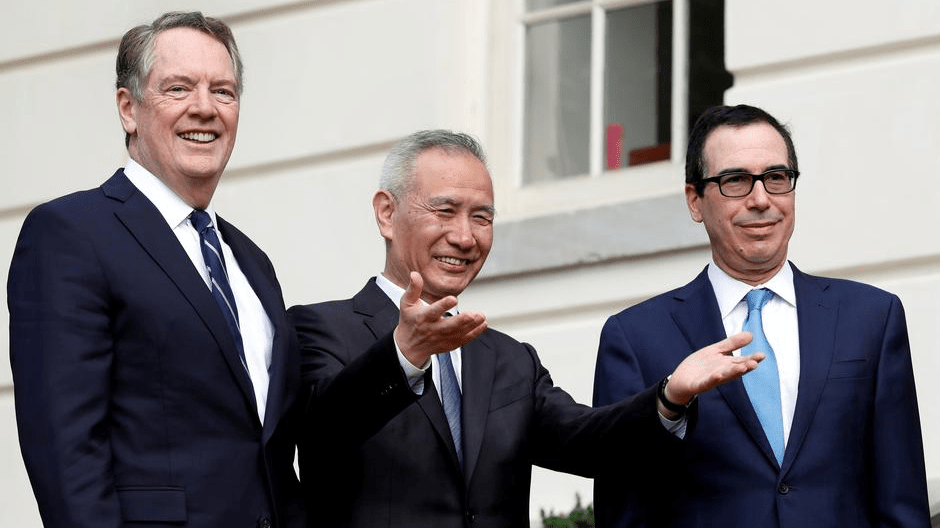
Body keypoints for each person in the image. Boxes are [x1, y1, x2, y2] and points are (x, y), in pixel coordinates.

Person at [288, 129, 764, 528]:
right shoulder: (318, 329)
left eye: (482, 217)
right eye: (445, 210)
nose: (465, 236)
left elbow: (588, 443)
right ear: (387, 213)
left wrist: (669, 396)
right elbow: (322, 432)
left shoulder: (509, 360)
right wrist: (403, 356)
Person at [8, 12, 306, 528]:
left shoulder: (251, 262)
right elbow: (66, 452)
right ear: (129, 108)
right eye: (178, 88)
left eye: (224, 91)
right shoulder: (70, 233)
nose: (205, 108)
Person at [592, 104, 930, 527]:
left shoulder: (872, 319)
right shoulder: (636, 337)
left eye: (776, 178)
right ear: (695, 200)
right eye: (735, 181)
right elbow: (624, 509)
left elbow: (902, 500)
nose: (761, 199)